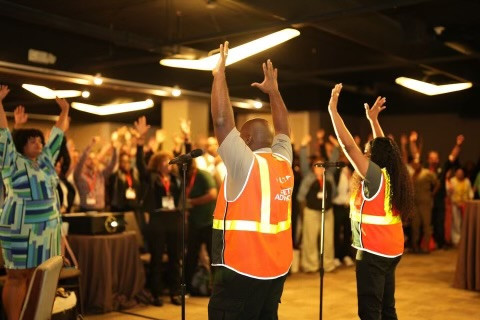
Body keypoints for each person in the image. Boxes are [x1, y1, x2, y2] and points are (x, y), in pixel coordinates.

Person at [208, 42, 294, 319]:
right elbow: (283, 128)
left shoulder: (245, 164)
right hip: (276, 271)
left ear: (245, 140)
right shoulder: (284, 161)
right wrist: (274, 93)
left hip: (240, 270)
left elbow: (222, 120)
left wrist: (219, 75)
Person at [327, 84, 413, 319]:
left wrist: (333, 111)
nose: (364, 154)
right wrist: (373, 121)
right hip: (392, 249)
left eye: (367, 152)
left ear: (372, 157)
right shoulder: (393, 174)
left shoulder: (375, 176)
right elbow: (385, 148)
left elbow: (348, 146)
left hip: (374, 251)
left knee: (370, 311)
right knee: (387, 308)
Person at [0, 85, 70, 320]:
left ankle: (33, 316)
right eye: (32, 141)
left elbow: (58, 135)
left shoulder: (47, 161)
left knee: (39, 276)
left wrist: (64, 111)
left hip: (46, 230)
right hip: (20, 226)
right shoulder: (12, 161)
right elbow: (2, 134)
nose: (38, 144)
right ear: (21, 145)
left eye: (39, 140)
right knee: (17, 276)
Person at [135, 116, 182, 306]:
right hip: (157, 220)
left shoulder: (177, 179)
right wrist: (140, 142)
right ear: (156, 163)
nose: (167, 163)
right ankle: (155, 294)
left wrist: (185, 142)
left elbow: (189, 164)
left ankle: (175, 292)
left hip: (173, 220)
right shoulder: (151, 177)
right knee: (156, 258)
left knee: (175, 258)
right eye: (163, 160)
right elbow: (139, 166)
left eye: (169, 160)